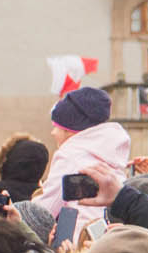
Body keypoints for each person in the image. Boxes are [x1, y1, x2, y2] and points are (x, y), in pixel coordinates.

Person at [36, 85, 129, 238]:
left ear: (71, 129)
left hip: (78, 239)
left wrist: (27, 205)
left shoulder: (70, 155)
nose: (52, 133)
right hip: (108, 237)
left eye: (56, 127)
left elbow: (46, 211)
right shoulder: (111, 151)